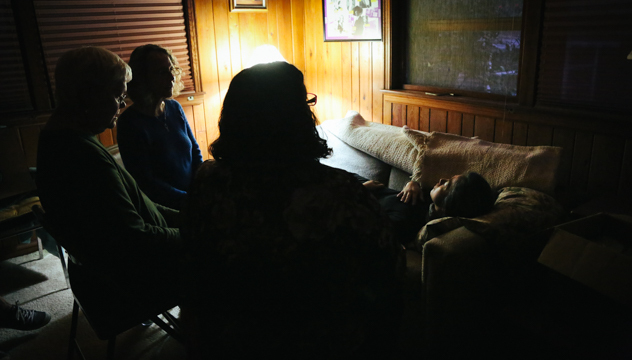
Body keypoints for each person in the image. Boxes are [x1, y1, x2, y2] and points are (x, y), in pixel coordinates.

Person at [181, 61, 403, 359]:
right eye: (306, 102)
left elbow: (194, 261)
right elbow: (387, 266)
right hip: (315, 342)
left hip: (226, 339)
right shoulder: (337, 193)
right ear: (297, 118)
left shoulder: (207, 181)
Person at [36, 46, 185, 307]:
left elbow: (139, 203)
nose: (122, 104)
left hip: (117, 268)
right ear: (86, 95)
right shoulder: (81, 157)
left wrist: (189, 220)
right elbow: (136, 239)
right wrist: (194, 234)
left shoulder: (59, 139)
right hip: (139, 277)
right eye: (117, 95)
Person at [117, 44, 203, 210]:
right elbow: (146, 183)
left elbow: (195, 151)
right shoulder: (130, 123)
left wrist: (202, 187)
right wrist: (188, 200)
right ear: (143, 78)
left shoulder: (174, 108)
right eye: (162, 72)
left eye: (171, 69)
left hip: (193, 197)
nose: (172, 77)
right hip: (166, 209)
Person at [359, 172, 495, 245]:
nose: (441, 179)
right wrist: (412, 183)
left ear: (448, 206)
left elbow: (362, 226)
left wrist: (359, 190)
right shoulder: (429, 200)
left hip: (348, 193)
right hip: (357, 183)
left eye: (447, 184)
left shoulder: (406, 221)